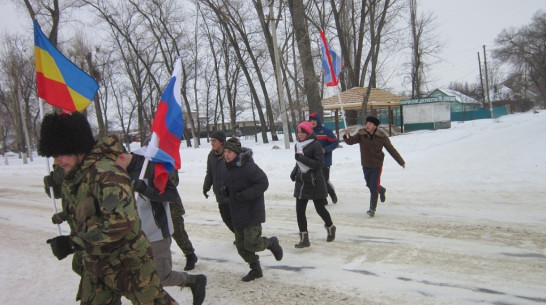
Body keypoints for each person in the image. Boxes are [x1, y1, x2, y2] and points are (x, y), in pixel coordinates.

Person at [38, 111, 178, 305]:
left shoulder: (106, 173)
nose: (56, 161)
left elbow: (120, 221)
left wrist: (73, 243)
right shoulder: (76, 175)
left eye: (59, 154)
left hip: (129, 263)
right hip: (96, 264)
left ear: (76, 147)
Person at [116, 152, 206, 305]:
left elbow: (171, 195)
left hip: (156, 234)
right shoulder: (118, 172)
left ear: (121, 156)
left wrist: (146, 189)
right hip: (134, 236)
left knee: (161, 277)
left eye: (113, 163)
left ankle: (194, 281)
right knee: (139, 279)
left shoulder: (151, 167)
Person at [222, 137, 283, 282]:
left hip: (251, 211)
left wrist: (245, 195)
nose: (226, 154)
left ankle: (271, 243)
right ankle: (255, 269)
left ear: (236, 152)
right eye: (224, 151)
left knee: (252, 243)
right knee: (241, 247)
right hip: (237, 212)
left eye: (229, 151)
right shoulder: (227, 167)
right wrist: (225, 192)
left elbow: (263, 182)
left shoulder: (248, 166)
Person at [343, 116, 405, 217]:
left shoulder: (381, 136)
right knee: (369, 184)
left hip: (377, 165)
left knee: (373, 187)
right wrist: (347, 135)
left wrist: (400, 161)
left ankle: (372, 209)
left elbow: (391, 149)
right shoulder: (361, 134)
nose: (367, 125)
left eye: (370, 124)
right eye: (367, 123)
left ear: (375, 126)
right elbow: (350, 142)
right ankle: (381, 190)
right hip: (366, 164)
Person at [290, 121, 336, 248]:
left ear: (308, 132)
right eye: (298, 132)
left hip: (314, 180)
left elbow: (318, 164)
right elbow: (298, 162)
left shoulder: (315, 144)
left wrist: (301, 158)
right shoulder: (297, 145)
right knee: (299, 211)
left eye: (302, 132)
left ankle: (330, 226)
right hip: (302, 181)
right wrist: (294, 172)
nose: (299, 134)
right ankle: (304, 239)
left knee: (320, 208)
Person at [43, 164, 84, 301]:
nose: (56, 160)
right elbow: (56, 194)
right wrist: (50, 184)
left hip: (87, 234)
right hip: (77, 231)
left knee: (83, 267)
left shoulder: (79, 169)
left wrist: (72, 243)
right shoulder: (63, 170)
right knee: (79, 266)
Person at [203, 130, 234, 233]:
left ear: (221, 142)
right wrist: (206, 187)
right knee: (226, 218)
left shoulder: (229, 154)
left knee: (236, 217)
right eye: (211, 141)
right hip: (220, 193)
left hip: (231, 193)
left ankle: (241, 237)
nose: (212, 143)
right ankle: (239, 235)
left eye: (214, 141)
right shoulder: (211, 156)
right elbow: (210, 173)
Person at [167, 170, 199, 271]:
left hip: (171, 205)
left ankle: (190, 255)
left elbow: (174, 182)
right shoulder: (144, 163)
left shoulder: (167, 161)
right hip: (154, 205)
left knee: (178, 232)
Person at [309, 112, 339, 204]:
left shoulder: (326, 131)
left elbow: (335, 143)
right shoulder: (309, 132)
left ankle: (332, 193)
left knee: (324, 180)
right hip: (313, 161)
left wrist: (325, 150)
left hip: (325, 161)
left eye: (314, 120)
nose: (312, 122)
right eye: (311, 120)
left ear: (318, 121)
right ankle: (323, 199)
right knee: (317, 181)